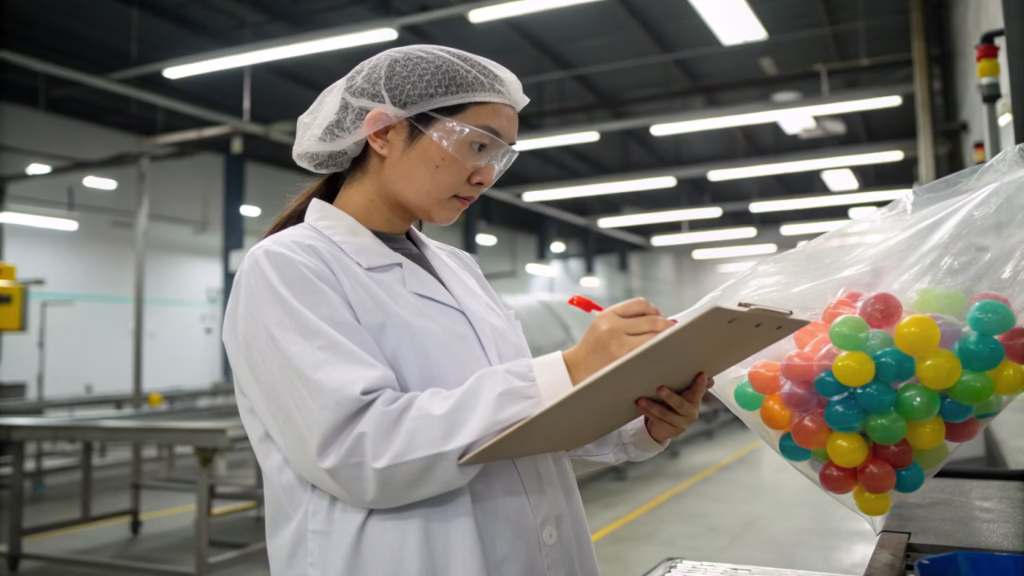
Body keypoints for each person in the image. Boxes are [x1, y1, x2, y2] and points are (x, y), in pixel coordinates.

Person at [223, 45, 713, 576]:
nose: (485, 175)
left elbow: (518, 422)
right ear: (383, 132)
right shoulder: (289, 267)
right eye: (476, 144)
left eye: (500, 156)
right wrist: (570, 368)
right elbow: (361, 453)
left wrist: (641, 422)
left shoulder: (459, 269)